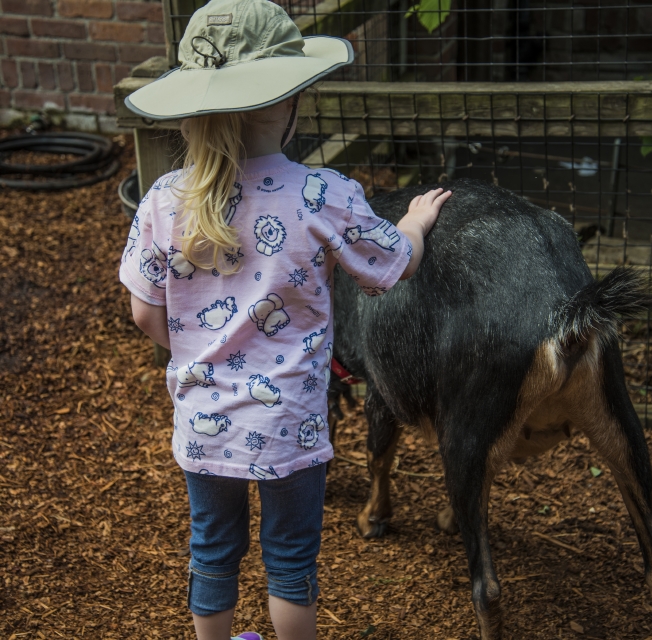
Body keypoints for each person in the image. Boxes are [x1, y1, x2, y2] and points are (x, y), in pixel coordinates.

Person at [119, 2, 452, 639]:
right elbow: (394, 264)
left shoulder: (163, 198)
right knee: (291, 559)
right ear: (290, 102)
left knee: (212, 549)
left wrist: (196, 348)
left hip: (202, 419)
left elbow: (143, 312)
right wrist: (415, 221)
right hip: (290, 423)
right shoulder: (322, 193)